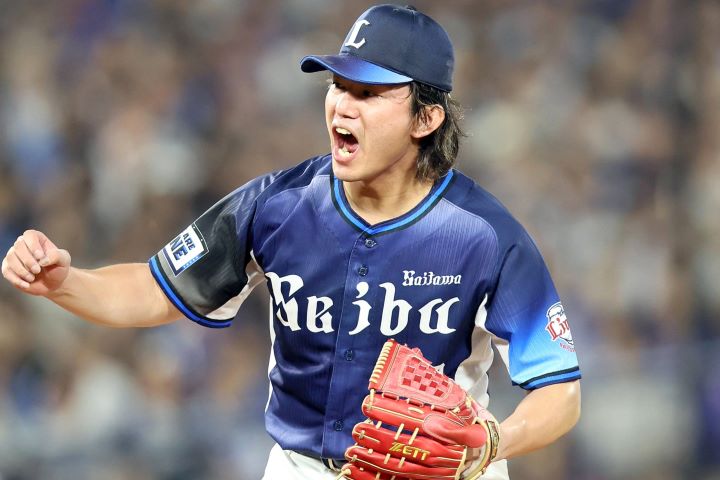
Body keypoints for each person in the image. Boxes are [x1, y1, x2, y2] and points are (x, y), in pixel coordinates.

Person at [1, 4, 581, 479]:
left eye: (369, 93)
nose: (342, 105)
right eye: (338, 85)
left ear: (426, 119)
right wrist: (65, 282)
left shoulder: (484, 235)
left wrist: (492, 443)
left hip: (437, 474)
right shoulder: (277, 205)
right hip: (302, 468)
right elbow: (155, 288)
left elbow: (560, 391)